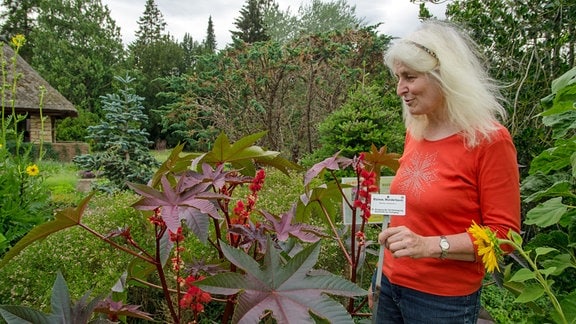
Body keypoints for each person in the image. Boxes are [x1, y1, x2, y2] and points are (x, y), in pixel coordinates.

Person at [369, 20, 521, 323]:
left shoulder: (489, 140)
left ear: (444, 75)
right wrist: (379, 275)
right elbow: (409, 214)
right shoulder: (416, 131)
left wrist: (428, 245)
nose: (400, 89)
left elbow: (504, 237)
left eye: (409, 77)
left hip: (442, 301)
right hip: (390, 286)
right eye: (398, 77)